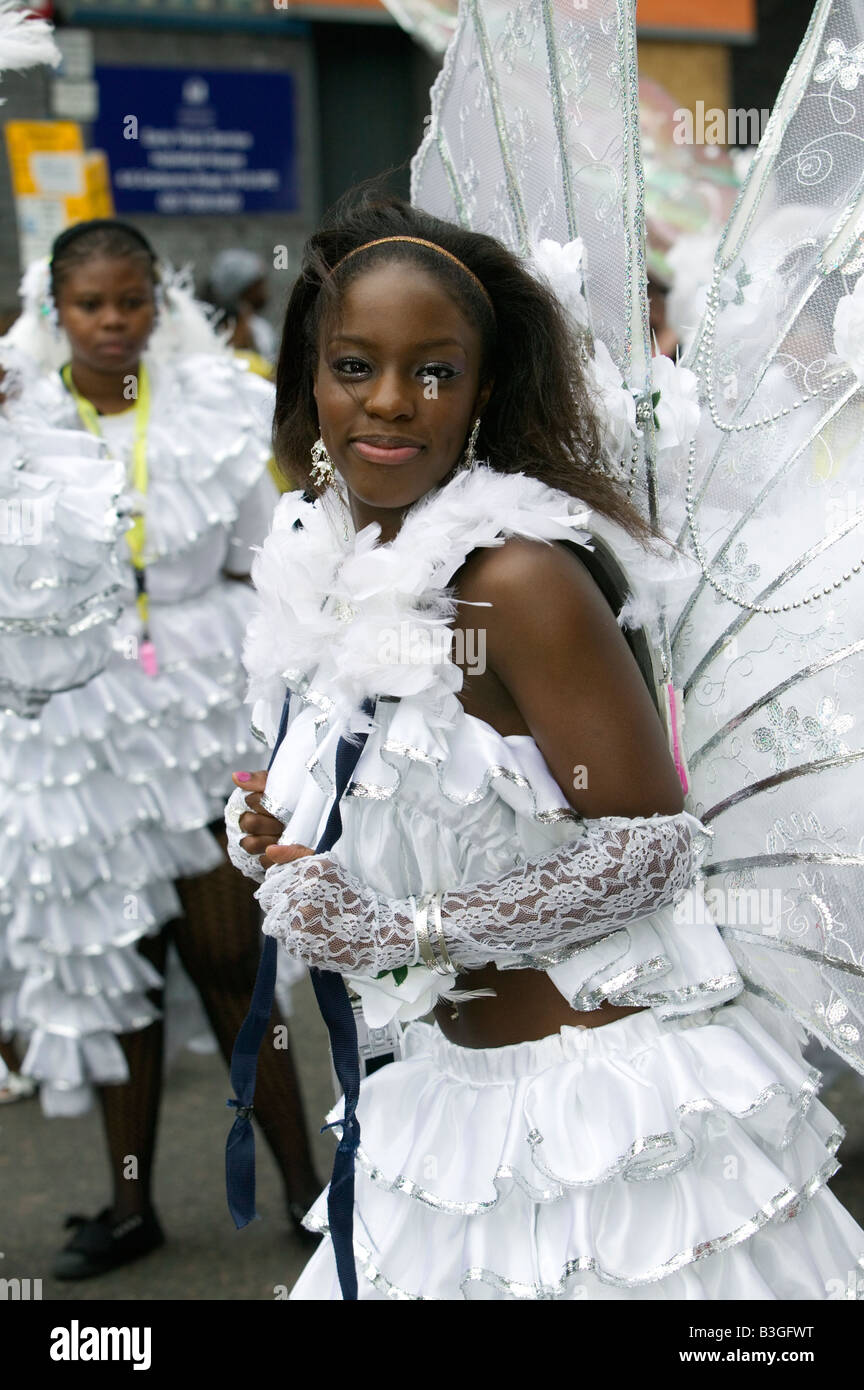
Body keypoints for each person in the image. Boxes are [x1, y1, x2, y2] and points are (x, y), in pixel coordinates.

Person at [226, 189, 864, 1299]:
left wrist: (400, 926)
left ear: (482, 391)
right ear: (309, 380)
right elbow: (428, 800)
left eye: (434, 370)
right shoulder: (327, 566)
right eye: (353, 365)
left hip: (601, 1121)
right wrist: (285, 834)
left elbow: (651, 849)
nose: (389, 401)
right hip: (444, 1097)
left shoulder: (517, 579)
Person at [0, 219, 320, 1278]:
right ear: (56, 311)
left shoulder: (218, 406)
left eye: (131, 301)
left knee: (233, 958)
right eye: (90, 305)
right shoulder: (17, 415)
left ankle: (310, 1189)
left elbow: (260, 562)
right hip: (71, 729)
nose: (113, 323)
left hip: (195, 703)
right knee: (119, 968)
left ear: (157, 303)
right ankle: (129, 1204)